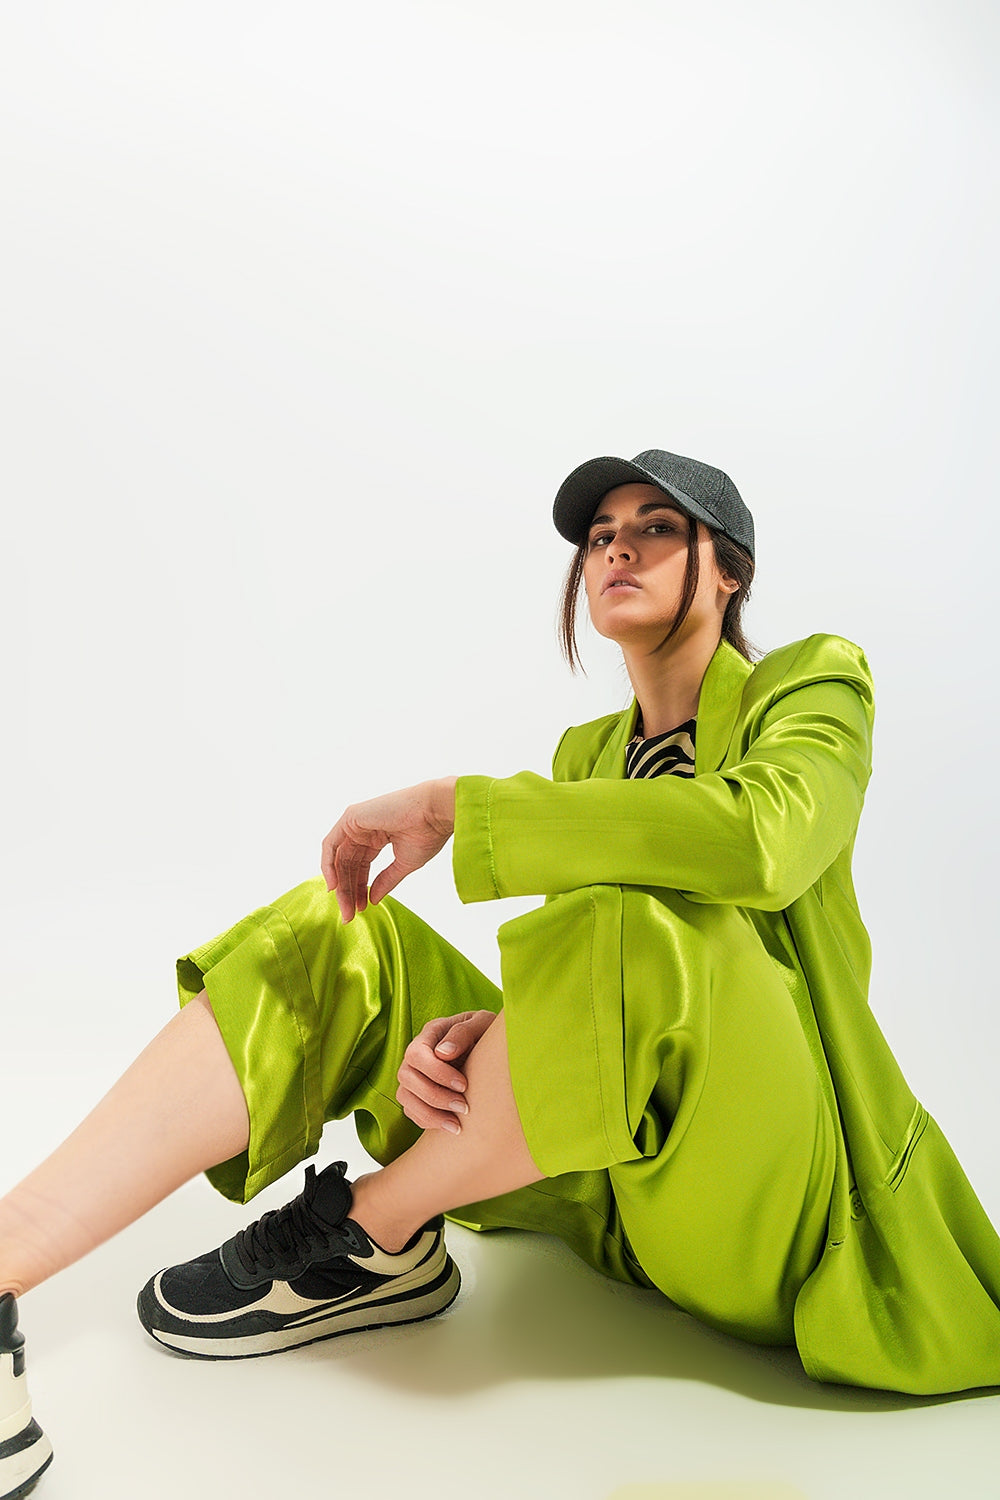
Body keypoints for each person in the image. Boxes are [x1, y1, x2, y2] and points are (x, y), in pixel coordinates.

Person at [3, 449, 1000, 1497]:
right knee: (339, 934)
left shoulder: (813, 684)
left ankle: (374, 1226)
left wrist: (457, 805)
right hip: (615, 1201)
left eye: (657, 528)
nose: (616, 550)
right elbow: (597, 983)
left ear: (729, 570)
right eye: (600, 537)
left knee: (636, 917)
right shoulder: (585, 757)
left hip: (791, 1206)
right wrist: (486, 1038)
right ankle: (8, 1261)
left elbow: (763, 842)